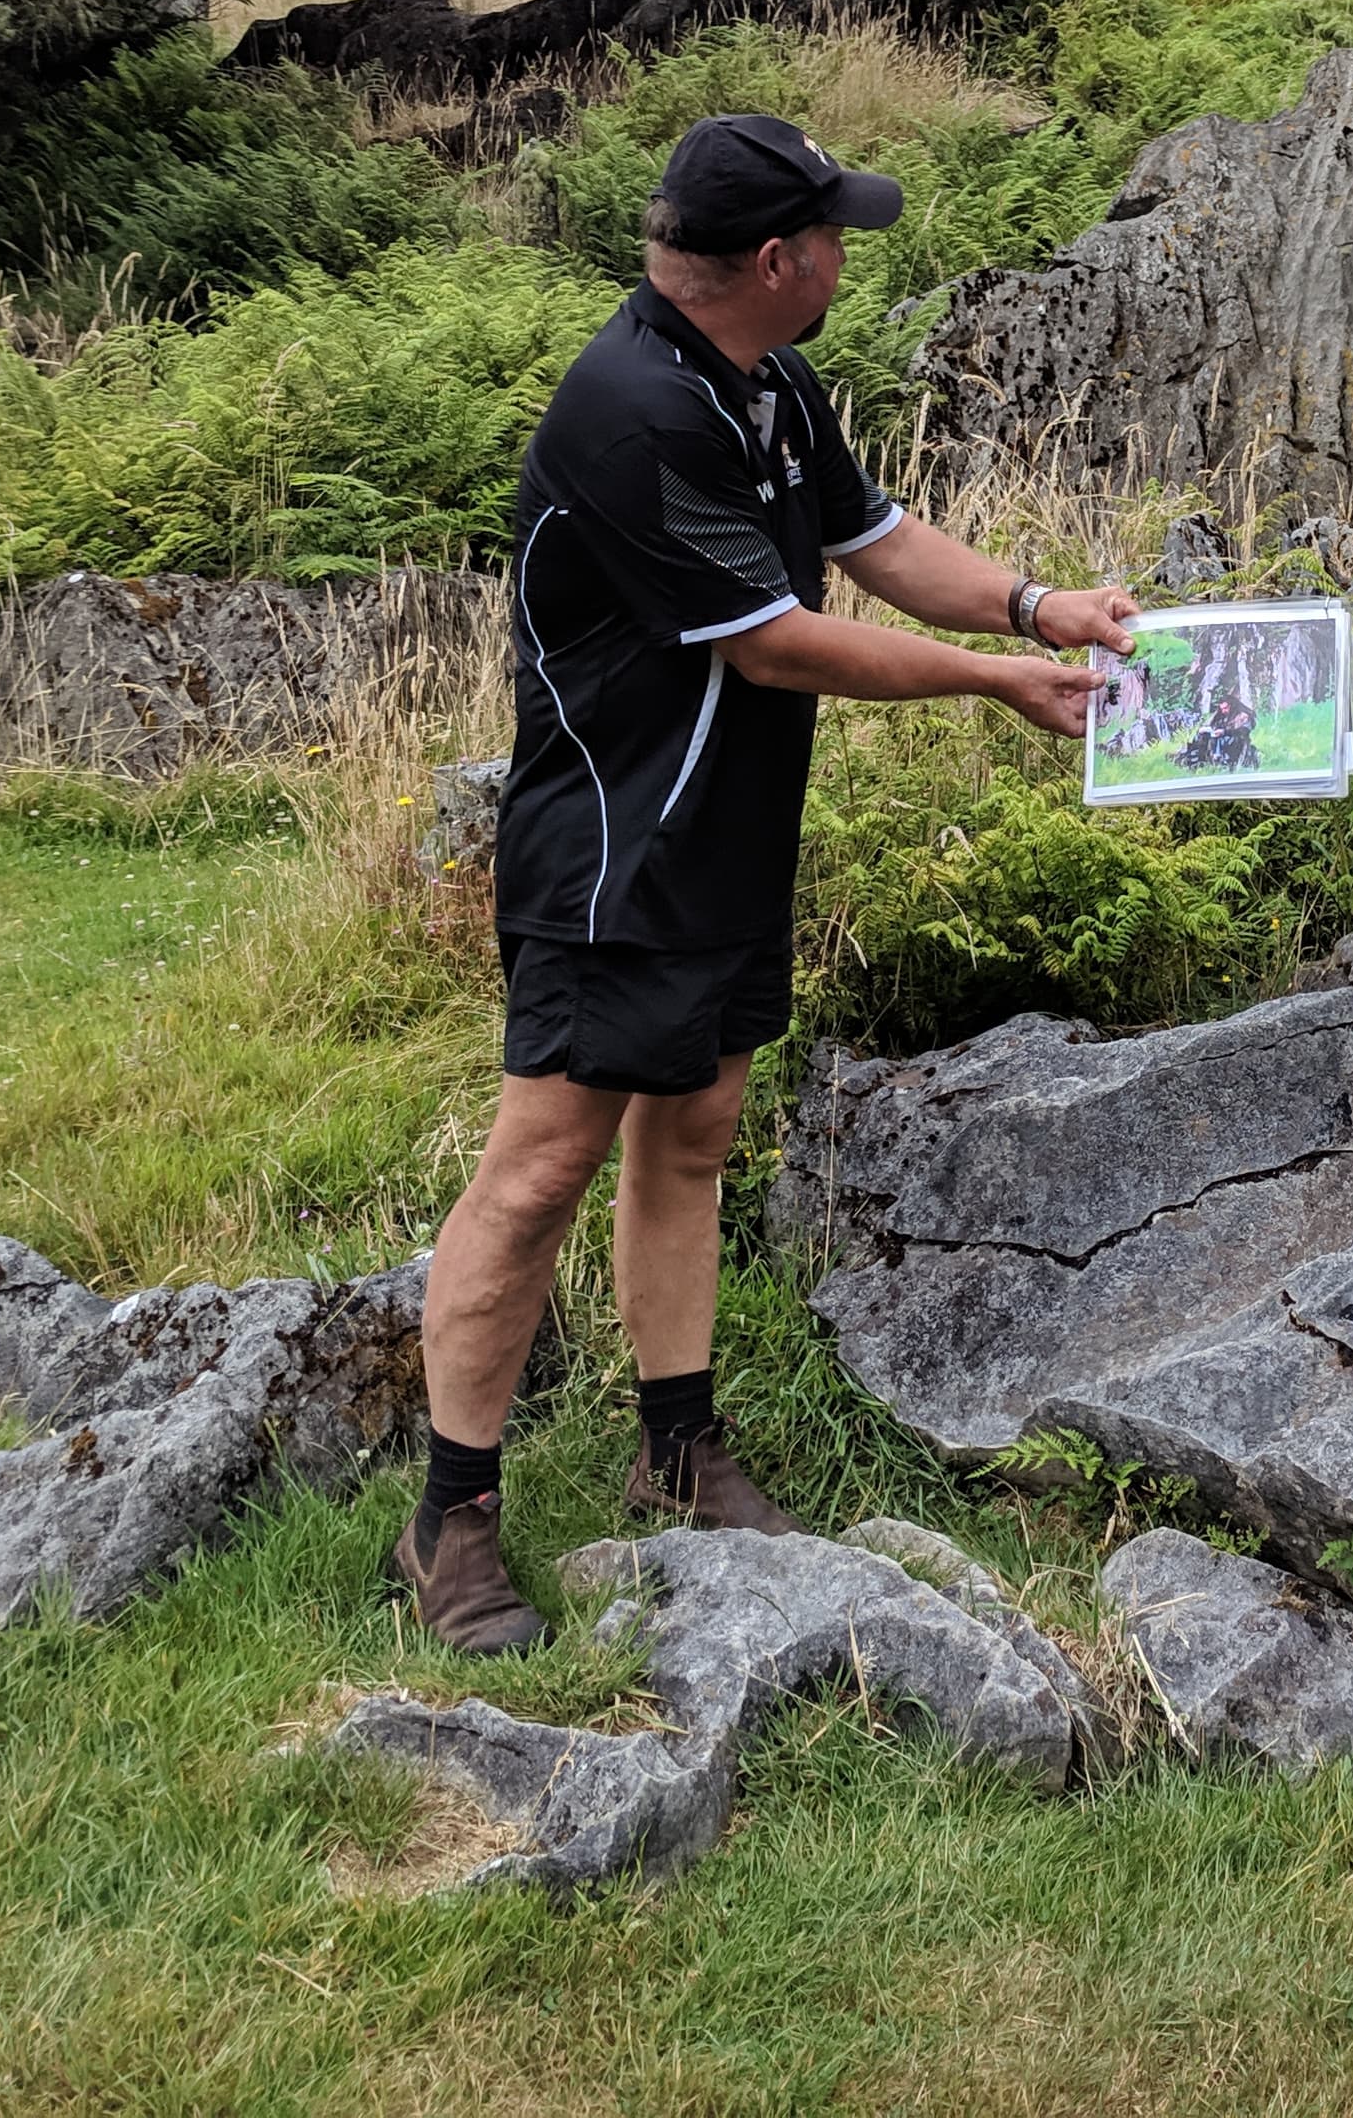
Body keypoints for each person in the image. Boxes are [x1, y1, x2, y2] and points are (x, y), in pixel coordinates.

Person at [389, 112, 1133, 1655]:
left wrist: (1037, 603)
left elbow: (873, 542)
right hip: (612, 850)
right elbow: (773, 639)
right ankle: (450, 1517)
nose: (849, 254)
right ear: (780, 259)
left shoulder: (769, 386)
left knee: (699, 1132)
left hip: (727, 837)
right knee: (539, 1168)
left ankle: (678, 1448)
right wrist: (995, 682)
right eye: (836, 234)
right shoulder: (631, 415)